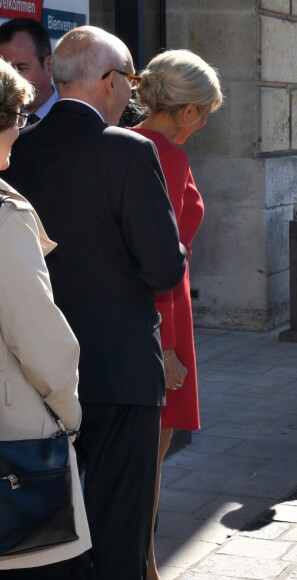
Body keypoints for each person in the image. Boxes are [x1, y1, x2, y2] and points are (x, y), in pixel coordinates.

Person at [3, 26, 186, 579]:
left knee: (52, 543)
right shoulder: (128, 149)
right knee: (122, 536)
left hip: (36, 384)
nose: (131, 94)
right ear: (109, 83)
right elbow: (163, 267)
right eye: (129, 81)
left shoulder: (20, 148)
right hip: (119, 371)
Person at [130, 49, 223, 580]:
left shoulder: (128, 142)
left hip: (152, 311)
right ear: (187, 110)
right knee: (146, 461)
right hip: (162, 317)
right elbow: (159, 259)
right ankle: (143, 564)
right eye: (206, 111)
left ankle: (140, 560)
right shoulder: (163, 153)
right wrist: (165, 348)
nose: (206, 123)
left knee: (139, 457)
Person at [0, 57, 94, 578]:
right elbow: (43, 345)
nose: (20, 134)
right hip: (14, 452)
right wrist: (69, 417)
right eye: (17, 124)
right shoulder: (4, 219)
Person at [0, 18, 58, 125]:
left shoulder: (77, 118)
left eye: (20, 68)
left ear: (49, 66)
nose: (11, 80)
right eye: (5, 72)